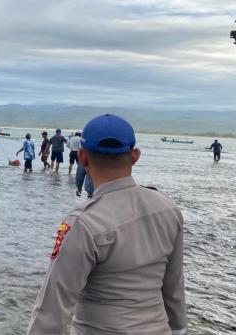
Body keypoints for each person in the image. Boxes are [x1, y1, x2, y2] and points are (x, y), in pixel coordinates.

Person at [27, 114, 187, 335]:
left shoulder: (83, 223)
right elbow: (174, 287)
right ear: (135, 156)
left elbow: (52, 309)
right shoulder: (168, 209)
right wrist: (179, 329)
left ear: (82, 158)